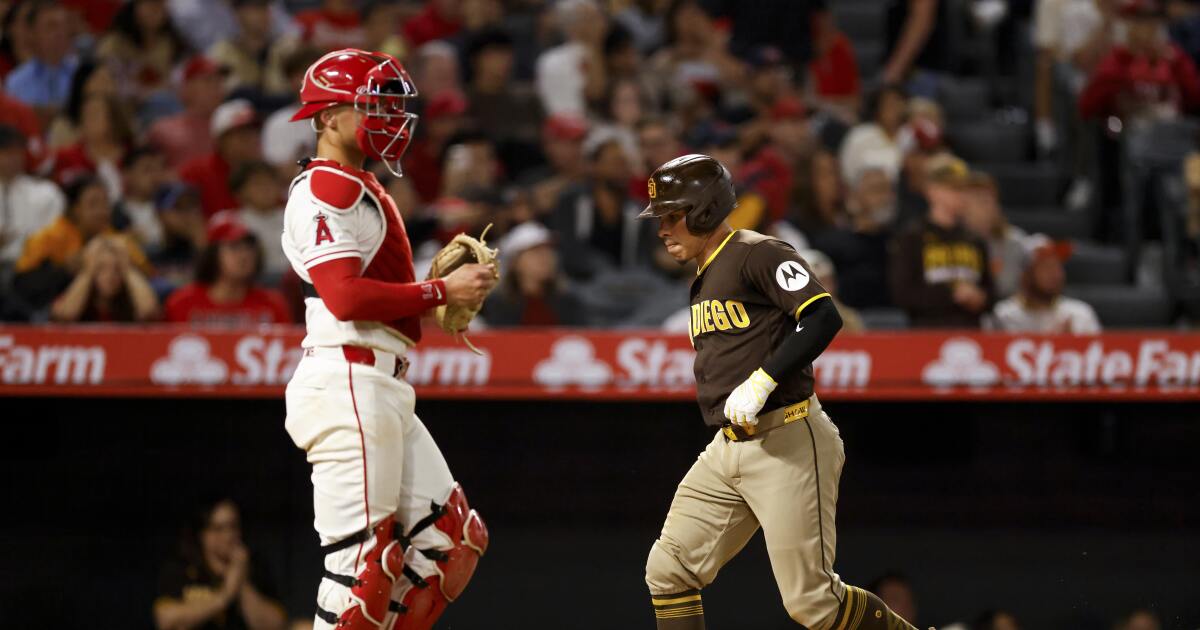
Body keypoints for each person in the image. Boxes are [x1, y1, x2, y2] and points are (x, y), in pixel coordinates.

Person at [637, 154, 918, 630]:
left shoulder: (757, 251)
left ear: (704, 210)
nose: (662, 228)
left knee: (814, 604)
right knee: (669, 571)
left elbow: (823, 315)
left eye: (671, 215)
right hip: (729, 447)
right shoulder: (707, 270)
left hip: (787, 437)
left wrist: (763, 380)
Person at [280, 48, 494, 629]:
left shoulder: (355, 183)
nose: (388, 117)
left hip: (379, 379)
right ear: (327, 117)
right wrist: (438, 293)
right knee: (363, 571)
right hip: (346, 376)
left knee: (452, 543)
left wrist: (434, 291)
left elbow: (367, 298)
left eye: (390, 106)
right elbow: (345, 297)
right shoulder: (325, 187)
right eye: (371, 105)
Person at [14, 175, 150, 313]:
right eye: (93, 204)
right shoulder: (48, 238)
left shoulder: (117, 240)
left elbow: (148, 275)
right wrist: (64, 270)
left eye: (106, 203)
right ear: (74, 209)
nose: (103, 211)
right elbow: (23, 286)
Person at [888, 155, 995, 328]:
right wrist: (952, 294)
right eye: (953, 188)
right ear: (932, 190)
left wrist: (980, 298)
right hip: (926, 333)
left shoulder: (975, 240)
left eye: (963, 189)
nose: (961, 195)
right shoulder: (912, 238)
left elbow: (991, 292)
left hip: (970, 332)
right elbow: (902, 293)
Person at [153, 498, 287, 630]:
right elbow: (166, 621)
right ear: (202, 534)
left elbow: (276, 625)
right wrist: (226, 596)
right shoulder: (182, 567)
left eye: (233, 526)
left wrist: (241, 580)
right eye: (218, 528)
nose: (228, 535)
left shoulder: (253, 567)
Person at [1078, 0, 1200, 123]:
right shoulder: (1119, 59)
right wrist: (1128, 65)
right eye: (1140, 21)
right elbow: (1087, 107)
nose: (1148, 29)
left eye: (1154, 22)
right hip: (1128, 132)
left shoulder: (1175, 57)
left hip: (1171, 133)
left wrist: (1175, 66)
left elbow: (1195, 98)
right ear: (1129, 26)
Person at [164, 212, 290, 325]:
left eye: (249, 246)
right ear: (212, 254)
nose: (244, 255)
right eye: (234, 247)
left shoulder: (272, 305)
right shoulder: (182, 304)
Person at [483, 221, 586, 326]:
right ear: (515, 262)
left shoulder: (570, 303)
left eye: (548, 250)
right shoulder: (496, 306)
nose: (545, 257)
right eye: (535, 252)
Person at [988, 238, 1102, 333]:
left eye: (1057, 266)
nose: (1055, 274)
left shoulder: (1081, 314)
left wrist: (1073, 342)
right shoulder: (1004, 315)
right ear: (1026, 275)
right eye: (1046, 267)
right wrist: (1051, 342)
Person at [179, 99, 263, 217]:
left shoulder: (265, 172)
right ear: (220, 141)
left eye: (254, 132)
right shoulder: (196, 172)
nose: (251, 139)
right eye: (242, 134)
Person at [49, 234, 159, 322]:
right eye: (101, 268)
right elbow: (66, 315)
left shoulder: (131, 298)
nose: (110, 275)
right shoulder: (75, 293)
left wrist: (127, 267)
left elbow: (149, 311)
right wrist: (88, 272)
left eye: (117, 268)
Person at [960, 172, 1032, 300]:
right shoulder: (951, 241)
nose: (982, 208)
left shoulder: (1014, 241)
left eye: (986, 200)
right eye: (974, 200)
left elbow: (1010, 287)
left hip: (1006, 312)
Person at [0, 125, 64, 268]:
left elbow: (53, 237)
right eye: (7, 153)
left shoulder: (46, 193)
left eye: (18, 152)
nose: (14, 159)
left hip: (31, 267)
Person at [148, 56, 228, 168]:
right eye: (208, 80)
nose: (217, 87)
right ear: (187, 88)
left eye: (220, 81)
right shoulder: (163, 130)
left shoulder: (234, 130)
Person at [4, 0, 79, 117]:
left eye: (63, 26)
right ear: (33, 33)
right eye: (51, 26)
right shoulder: (16, 82)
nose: (60, 33)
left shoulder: (80, 73)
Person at [536, 0, 608, 117]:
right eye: (592, 20)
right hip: (568, 127)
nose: (602, 25)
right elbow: (594, 93)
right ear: (574, 26)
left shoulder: (600, 54)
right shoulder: (552, 61)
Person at [839, 84, 909, 186]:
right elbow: (846, 174)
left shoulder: (910, 135)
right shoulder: (859, 136)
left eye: (897, 103)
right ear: (877, 107)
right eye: (888, 103)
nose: (894, 108)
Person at [229, 160, 287, 279]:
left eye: (271, 182)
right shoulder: (230, 221)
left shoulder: (294, 216)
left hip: (295, 281)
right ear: (240, 192)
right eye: (258, 184)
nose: (266, 189)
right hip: (252, 281)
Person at [114, 146, 170, 253]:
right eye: (147, 170)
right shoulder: (115, 214)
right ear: (127, 174)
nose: (155, 176)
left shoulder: (174, 206)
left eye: (159, 169)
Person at [798, 248, 865, 333]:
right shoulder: (786, 320)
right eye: (819, 283)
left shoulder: (849, 317)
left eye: (829, 282)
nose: (827, 289)